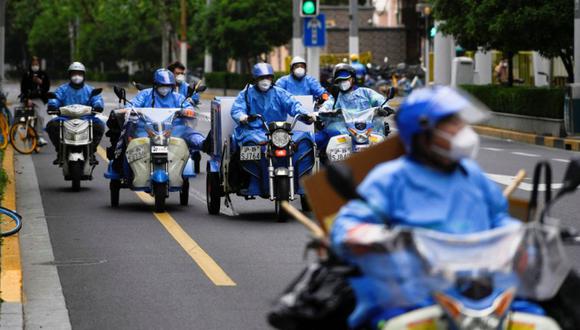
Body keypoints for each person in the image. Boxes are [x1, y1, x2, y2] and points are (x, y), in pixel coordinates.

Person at [330, 86, 542, 329]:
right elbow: (349, 223)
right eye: (450, 123)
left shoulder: (471, 174)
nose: (462, 130)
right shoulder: (390, 178)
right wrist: (369, 236)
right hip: (415, 293)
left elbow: (498, 218)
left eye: (460, 122)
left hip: (482, 289)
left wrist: (520, 238)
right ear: (422, 133)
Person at [230, 63, 316, 194]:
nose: (265, 81)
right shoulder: (246, 93)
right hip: (253, 131)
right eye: (261, 77)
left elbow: (294, 105)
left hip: (279, 132)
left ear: (272, 79)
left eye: (268, 77)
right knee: (250, 144)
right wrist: (242, 117)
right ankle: (254, 181)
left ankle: (300, 180)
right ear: (255, 79)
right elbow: (237, 109)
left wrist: (306, 115)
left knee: (305, 141)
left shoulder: (279, 93)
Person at [110, 69, 204, 172]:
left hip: (172, 131)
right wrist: (128, 109)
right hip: (146, 130)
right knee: (130, 141)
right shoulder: (145, 94)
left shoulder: (178, 97)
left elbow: (188, 107)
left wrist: (188, 111)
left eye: (168, 86)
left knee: (189, 133)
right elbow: (132, 104)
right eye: (161, 85)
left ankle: (204, 143)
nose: (165, 88)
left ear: (172, 86)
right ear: (155, 85)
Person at [317, 63, 388, 151]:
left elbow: (378, 99)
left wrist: (385, 107)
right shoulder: (335, 96)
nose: (343, 82)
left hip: (366, 129)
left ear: (353, 79)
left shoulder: (365, 92)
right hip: (345, 131)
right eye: (340, 81)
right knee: (320, 139)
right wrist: (323, 111)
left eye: (346, 79)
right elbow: (327, 105)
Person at [46, 62, 104, 164]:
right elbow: (56, 98)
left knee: (100, 126)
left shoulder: (90, 90)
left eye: (79, 74)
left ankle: (91, 152)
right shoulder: (62, 89)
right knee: (51, 126)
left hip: (86, 119)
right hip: (65, 119)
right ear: (70, 75)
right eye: (74, 74)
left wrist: (98, 105)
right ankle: (60, 151)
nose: (77, 76)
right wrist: (53, 105)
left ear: (84, 75)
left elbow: (96, 99)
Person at [20, 56, 50, 146]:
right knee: (20, 114)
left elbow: (47, 87)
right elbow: (23, 88)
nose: (35, 66)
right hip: (28, 98)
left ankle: (39, 136)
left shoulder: (43, 74)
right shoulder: (27, 74)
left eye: (36, 64)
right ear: (30, 65)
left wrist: (41, 82)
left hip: (39, 99)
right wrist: (26, 98)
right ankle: (14, 134)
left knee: (40, 116)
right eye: (33, 64)